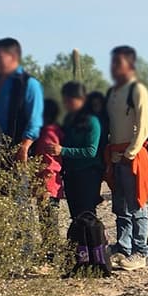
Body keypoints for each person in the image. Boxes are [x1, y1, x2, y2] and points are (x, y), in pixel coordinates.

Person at [104, 46, 148, 271]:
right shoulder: (113, 91)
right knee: (120, 206)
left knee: (138, 204)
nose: (114, 67)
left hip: (131, 156)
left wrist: (130, 153)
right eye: (113, 62)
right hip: (115, 155)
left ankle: (140, 251)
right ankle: (123, 247)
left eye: (119, 63)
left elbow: (144, 126)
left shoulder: (138, 89)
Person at [0, 37, 43, 166]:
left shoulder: (29, 84)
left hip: (15, 152)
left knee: (15, 185)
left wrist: (24, 146)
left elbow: (35, 120)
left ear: (13, 56)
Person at [54, 82, 103, 220]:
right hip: (71, 174)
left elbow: (91, 151)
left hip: (88, 174)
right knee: (75, 216)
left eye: (69, 100)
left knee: (87, 214)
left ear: (82, 99)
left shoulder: (92, 121)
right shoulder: (69, 119)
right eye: (64, 101)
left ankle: (92, 241)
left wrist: (63, 151)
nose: (66, 104)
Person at [33, 99, 65, 253]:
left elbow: (50, 163)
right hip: (51, 183)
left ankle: (51, 255)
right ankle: (50, 252)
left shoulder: (48, 133)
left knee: (48, 220)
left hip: (48, 184)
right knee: (48, 219)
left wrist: (44, 187)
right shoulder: (54, 130)